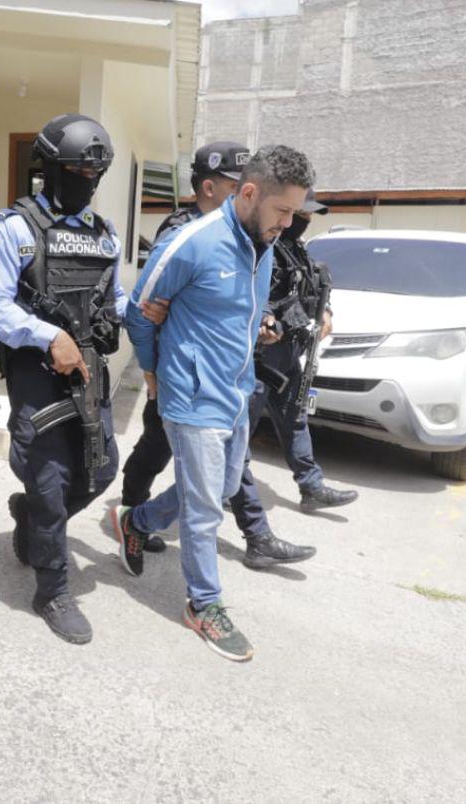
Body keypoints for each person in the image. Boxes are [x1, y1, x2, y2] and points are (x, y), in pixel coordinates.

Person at [113, 145, 314, 662]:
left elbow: (237, 313)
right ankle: (203, 605)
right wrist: (155, 374)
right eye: (283, 211)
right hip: (191, 391)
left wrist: (261, 329)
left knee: (223, 488)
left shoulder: (262, 245)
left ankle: (135, 523)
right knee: (204, 511)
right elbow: (140, 312)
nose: (289, 224)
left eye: (294, 212)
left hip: (236, 390)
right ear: (248, 193)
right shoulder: (192, 242)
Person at [0, 113, 125, 645]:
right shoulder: (16, 228)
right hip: (38, 373)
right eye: (79, 171)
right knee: (49, 480)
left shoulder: (104, 235)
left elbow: (115, 297)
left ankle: (33, 517)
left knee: (101, 471)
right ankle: (52, 590)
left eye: (96, 173)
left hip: (90, 370)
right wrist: (47, 336)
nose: (88, 182)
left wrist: (144, 314)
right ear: (50, 169)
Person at [228, 189, 358, 517]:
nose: (304, 221)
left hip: (290, 354)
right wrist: (272, 320)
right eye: (300, 214)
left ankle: (311, 486)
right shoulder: (262, 248)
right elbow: (254, 297)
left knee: (295, 419)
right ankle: (229, 491)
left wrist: (324, 312)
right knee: (241, 429)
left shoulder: (296, 250)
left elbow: (309, 289)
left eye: (307, 216)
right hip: (262, 354)